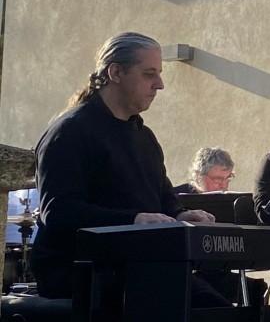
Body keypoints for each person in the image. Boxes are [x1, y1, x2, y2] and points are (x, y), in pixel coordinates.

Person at [31, 32, 217, 299]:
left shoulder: (144, 137)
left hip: (139, 268)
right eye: (149, 74)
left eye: (159, 73)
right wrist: (132, 220)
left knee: (225, 304)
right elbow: (59, 213)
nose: (160, 84)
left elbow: (162, 199)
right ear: (116, 72)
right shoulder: (70, 131)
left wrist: (180, 216)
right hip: (82, 273)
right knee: (203, 310)